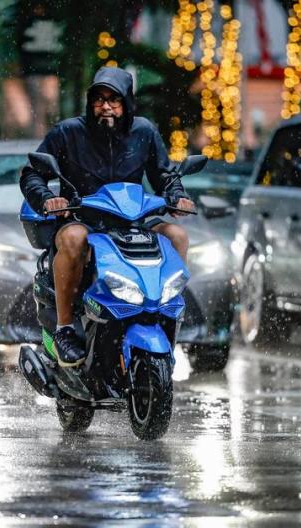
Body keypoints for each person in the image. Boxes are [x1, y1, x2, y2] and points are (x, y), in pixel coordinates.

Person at [20, 66, 196, 368]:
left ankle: (165, 315)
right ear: (90, 103)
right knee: (74, 239)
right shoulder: (68, 132)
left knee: (177, 236)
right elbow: (32, 175)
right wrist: (49, 199)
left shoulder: (144, 132)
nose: (106, 106)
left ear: (127, 102)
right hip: (82, 219)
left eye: (113, 99)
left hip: (132, 221)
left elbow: (164, 174)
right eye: (99, 99)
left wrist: (176, 194)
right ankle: (64, 328)